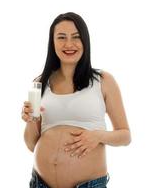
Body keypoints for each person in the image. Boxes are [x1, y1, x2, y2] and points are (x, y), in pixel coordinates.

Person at [21, 12, 131, 188]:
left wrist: (97, 136)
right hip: (40, 183)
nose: (69, 44)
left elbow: (125, 136)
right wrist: (29, 121)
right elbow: (32, 144)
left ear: (85, 41)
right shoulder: (40, 83)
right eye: (61, 37)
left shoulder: (103, 81)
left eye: (76, 37)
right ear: (53, 42)